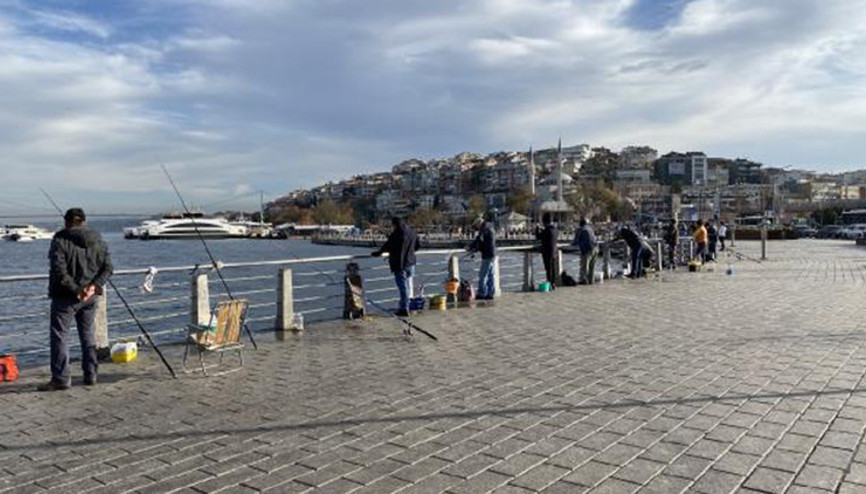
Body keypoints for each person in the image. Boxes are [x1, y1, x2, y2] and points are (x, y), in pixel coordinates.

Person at [39, 208, 113, 391]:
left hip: (65, 298)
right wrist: (94, 287)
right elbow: (108, 269)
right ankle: (91, 374)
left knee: (60, 337)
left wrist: (77, 290)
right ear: (84, 222)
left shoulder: (60, 240)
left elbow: (59, 270)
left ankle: (61, 379)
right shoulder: (99, 240)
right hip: (90, 298)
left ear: (66, 222)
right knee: (87, 334)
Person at [371, 217, 419, 317]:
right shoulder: (412, 232)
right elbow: (418, 246)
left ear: (395, 224)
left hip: (400, 264)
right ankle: (406, 305)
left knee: (403, 288)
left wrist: (378, 253)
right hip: (411, 263)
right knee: (408, 286)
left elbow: (387, 246)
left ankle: (404, 308)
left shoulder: (396, 234)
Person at [468, 214, 497, 300]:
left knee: (483, 275)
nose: (477, 227)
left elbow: (479, 240)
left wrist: (471, 247)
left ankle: (482, 293)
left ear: (479, 224)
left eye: (476, 226)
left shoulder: (484, 229)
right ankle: (490, 293)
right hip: (492, 254)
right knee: (491, 275)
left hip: (487, 254)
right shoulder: (490, 228)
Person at [535, 213, 559, 289]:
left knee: (548, 270)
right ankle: (554, 284)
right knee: (554, 269)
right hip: (555, 252)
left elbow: (538, 236)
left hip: (547, 253)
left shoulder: (546, 231)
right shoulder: (555, 230)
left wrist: (537, 228)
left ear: (544, 222)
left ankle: (550, 284)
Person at [573, 217, 597, 284]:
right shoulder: (590, 229)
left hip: (587, 249)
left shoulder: (580, 230)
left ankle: (584, 282)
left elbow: (575, 241)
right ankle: (591, 282)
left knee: (584, 267)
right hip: (595, 248)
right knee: (592, 268)